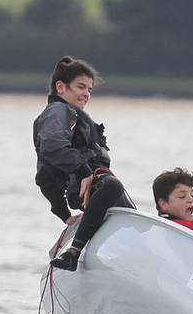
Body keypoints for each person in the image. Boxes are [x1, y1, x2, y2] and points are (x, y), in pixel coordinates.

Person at [34, 56, 135, 272]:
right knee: (112, 186)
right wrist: (83, 170)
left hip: (101, 189)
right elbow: (50, 151)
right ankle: (74, 253)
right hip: (96, 188)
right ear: (60, 87)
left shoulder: (72, 115)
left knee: (137, 223)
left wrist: (64, 214)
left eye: (90, 89)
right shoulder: (58, 112)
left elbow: (44, 177)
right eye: (81, 87)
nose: (86, 94)